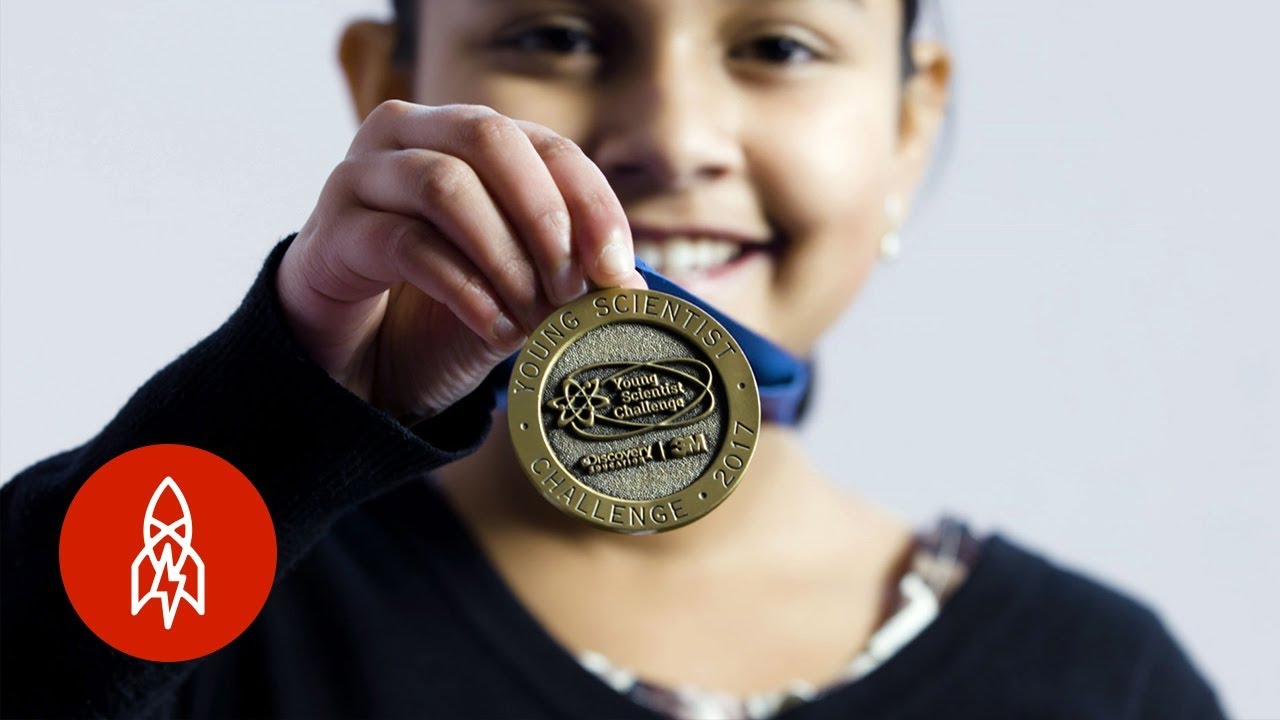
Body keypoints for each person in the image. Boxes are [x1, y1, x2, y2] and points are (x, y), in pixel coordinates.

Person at [1, 1, 1226, 718]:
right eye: (559, 33)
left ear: (911, 125)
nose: (672, 138)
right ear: (388, 87)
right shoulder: (224, 621)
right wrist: (285, 418)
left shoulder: (1103, 685)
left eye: (781, 46)